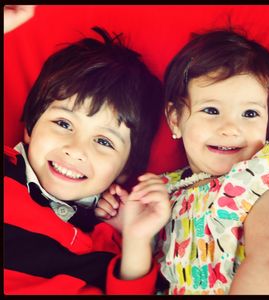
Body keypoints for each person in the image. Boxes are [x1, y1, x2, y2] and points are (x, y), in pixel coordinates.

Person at [96, 29, 269, 295]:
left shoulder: (264, 177)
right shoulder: (166, 191)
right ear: (176, 119)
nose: (230, 128)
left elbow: (267, 264)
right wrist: (134, 230)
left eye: (250, 113)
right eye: (211, 110)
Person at [4, 26, 171, 295]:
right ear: (31, 127)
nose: (77, 150)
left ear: (126, 169)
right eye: (63, 123)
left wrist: (137, 238)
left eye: (104, 142)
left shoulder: (111, 244)